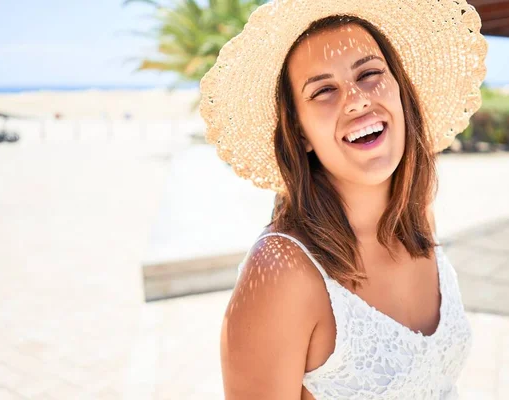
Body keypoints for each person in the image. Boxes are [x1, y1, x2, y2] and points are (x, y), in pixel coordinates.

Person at [199, 1, 487, 398]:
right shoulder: (282, 272)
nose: (356, 99)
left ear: (401, 91)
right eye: (323, 90)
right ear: (299, 133)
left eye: (369, 73)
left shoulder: (418, 219)